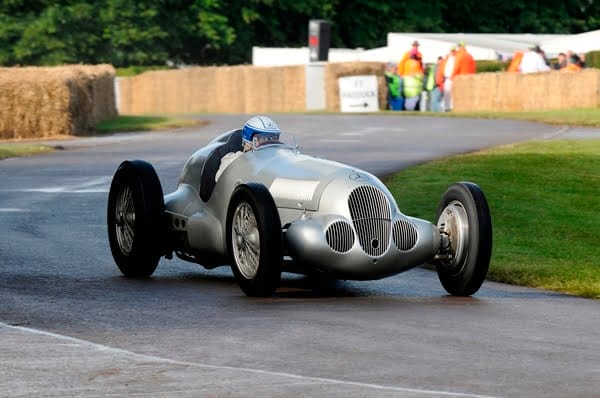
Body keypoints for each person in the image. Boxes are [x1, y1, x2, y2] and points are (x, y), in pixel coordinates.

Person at [215, 116, 281, 181]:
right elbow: (221, 181)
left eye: (274, 138)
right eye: (263, 139)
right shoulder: (232, 160)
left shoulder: (275, 160)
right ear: (248, 140)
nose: (269, 143)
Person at [440, 45, 457, 111]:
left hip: (453, 79)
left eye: (453, 51)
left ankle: (452, 108)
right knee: (446, 93)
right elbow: (442, 68)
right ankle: (446, 108)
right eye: (451, 51)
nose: (452, 52)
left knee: (453, 94)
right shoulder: (447, 59)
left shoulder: (456, 58)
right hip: (447, 78)